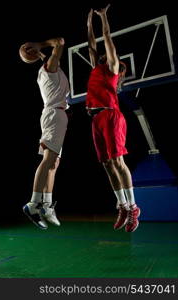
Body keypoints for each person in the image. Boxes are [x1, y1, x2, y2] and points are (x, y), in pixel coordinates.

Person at [86, 5, 140, 232]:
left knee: (118, 162)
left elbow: (106, 37)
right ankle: (123, 205)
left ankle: (133, 207)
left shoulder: (113, 67)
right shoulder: (95, 69)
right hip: (95, 118)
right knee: (107, 164)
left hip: (111, 115)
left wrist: (103, 17)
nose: (101, 54)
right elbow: (91, 44)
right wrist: (88, 24)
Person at [20, 37, 70, 229]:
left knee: (53, 162)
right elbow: (60, 42)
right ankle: (33, 204)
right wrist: (39, 45)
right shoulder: (50, 67)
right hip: (54, 116)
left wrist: (39, 53)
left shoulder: (46, 70)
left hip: (55, 116)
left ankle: (46, 206)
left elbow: (50, 57)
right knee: (48, 160)